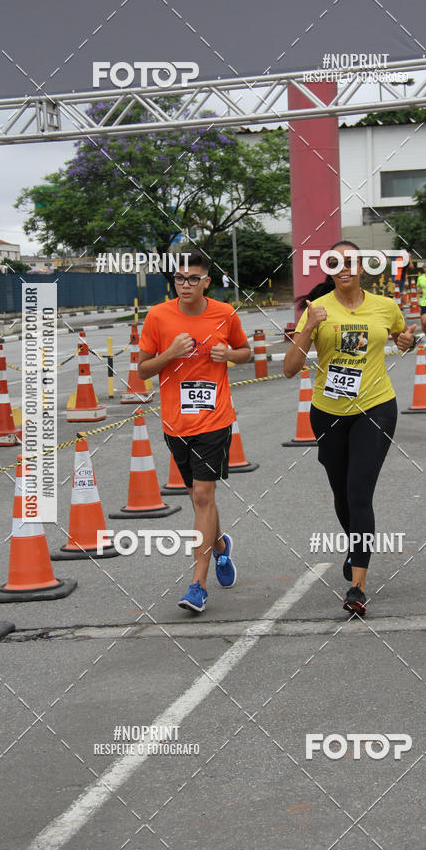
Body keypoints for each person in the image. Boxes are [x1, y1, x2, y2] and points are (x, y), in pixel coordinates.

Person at [283, 241, 417, 617]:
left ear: (363, 267)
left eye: (351, 261)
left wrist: (407, 340)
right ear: (329, 269)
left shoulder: (385, 306)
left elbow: (402, 337)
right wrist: (309, 326)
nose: (344, 267)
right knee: (342, 496)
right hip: (328, 412)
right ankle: (355, 547)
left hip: (374, 408)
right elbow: (290, 368)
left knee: (359, 494)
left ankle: (357, 586)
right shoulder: (317, 308)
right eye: (336, 262)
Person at [138, 251, 251, 613]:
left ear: (206, 281)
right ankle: (219, 547)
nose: (184, 284)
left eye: (192, 278)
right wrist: (170, 352)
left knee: (203, 496)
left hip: (214, 420)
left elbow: (246, 352)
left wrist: (229, 356)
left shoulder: (224, 313)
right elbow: (142, 371)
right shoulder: (158, 316)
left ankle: (197, 586)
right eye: (179, 278)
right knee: (198, 499)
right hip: (175, 422)